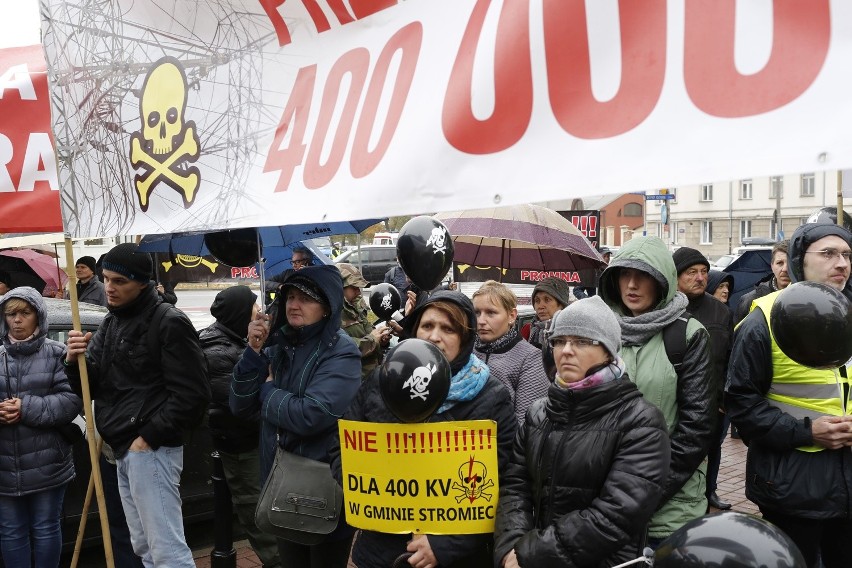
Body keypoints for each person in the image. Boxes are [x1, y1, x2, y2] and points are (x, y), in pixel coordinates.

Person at [330, 290, 516, 568]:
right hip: (378, 550)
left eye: (448, 328)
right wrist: (375, 493)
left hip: (449, 558)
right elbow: (341, 448)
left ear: (465, 338)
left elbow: (501, 484)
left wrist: (445, 543)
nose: (434, 336)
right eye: (427, 326)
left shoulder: (491, 397)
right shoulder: (384, 380)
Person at [494, 296, 671, 568]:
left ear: (609, 351)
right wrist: (511, 546)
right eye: (559, 341)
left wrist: (531, 554)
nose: (566, 350)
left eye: (582, 341)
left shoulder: (641, 422)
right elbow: (515, 487)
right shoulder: (538, 413)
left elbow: (616, 515)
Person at [64, 242, 209, 568]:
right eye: (106, 279)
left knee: (166, 550)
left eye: (119, 281)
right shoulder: (111, 323)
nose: (109, 288)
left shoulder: (168, 321)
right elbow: (93, 387)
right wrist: (75, 362)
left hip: (151, 450)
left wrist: (148, 438)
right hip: (120, 448)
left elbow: (193, 394)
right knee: (144, 546)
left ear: (142, 282)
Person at [725, 222, 852, 568]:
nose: (841, 263)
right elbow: (741, 405)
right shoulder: (762, 321)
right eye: (828, 254)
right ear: (799, 259)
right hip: (792, 485)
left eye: (846, 254)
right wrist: (809, 431)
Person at [231, 265, 361, 568]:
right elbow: (240, 407)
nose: (293, 304)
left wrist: (269, 391)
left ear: (327, 305)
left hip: (322, 486)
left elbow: (312, 415)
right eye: (289, 296)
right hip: (281, 483)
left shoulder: (341, 352)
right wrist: (252, 352)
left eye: (305, 298)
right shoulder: (277, 343)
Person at [597, 236, 713, 545]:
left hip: (670, 503)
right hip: (606, 499)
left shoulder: (687, 334)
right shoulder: (600, 333)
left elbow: (697, 428)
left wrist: (646, 492)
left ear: (662, 280)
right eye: (625, 274)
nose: (632, 284)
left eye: (643, 275)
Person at [0, 287, 82, 568]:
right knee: (11, 531)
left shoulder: (57, 354)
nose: (17, 320)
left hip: (48, 460)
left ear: (39, 316)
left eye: (25, 312)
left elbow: (71, 401)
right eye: (11, 314)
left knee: (46, 527)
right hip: (4, 465)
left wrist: (25, 408)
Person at [200, 286, 281, 568]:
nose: (260, 313)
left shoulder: (235, 339)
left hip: (255, 443)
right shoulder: (216, 351)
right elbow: (241, 408)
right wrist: (271, 387)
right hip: (241, 447)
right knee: (260, 518)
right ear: (239, 314)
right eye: (254, 308)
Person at [672, 247, 734, 512]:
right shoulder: (667, 311)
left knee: (712, 450)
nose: (700, 278)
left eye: (704, 272)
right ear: (675, 277)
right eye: (692, 272)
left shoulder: (721, 312)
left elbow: (730, 359)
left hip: (713, 402)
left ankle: (710, 493)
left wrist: (722, 399)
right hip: (675, 401)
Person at [472, 280, 549, 426]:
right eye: (477, 312)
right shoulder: (465, 352)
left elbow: (526, 426)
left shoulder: (531, 359)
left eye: (491, 313)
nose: (481, 320)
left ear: (512, 316)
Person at [337, 263, 391, 380]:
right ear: (339, 287)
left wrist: (381, 339)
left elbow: (367, 330)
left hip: (371, 374)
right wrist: (372, 340)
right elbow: (340, 349)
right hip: (353, 381)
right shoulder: (332, 313)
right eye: (354, 288)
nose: (358, 292)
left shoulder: (355, 304)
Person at [734, 240, 789, 324]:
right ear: (772, 266)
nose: (785, 269)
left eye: (790, 263)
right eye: (780, 263)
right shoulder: (751, 300)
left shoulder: (808, 297)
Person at [520, 277, 571, 349]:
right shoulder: (528, 329)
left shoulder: (571, 332)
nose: (540, 306)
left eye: (547, 300)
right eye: (537, 300)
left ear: (561, 304)